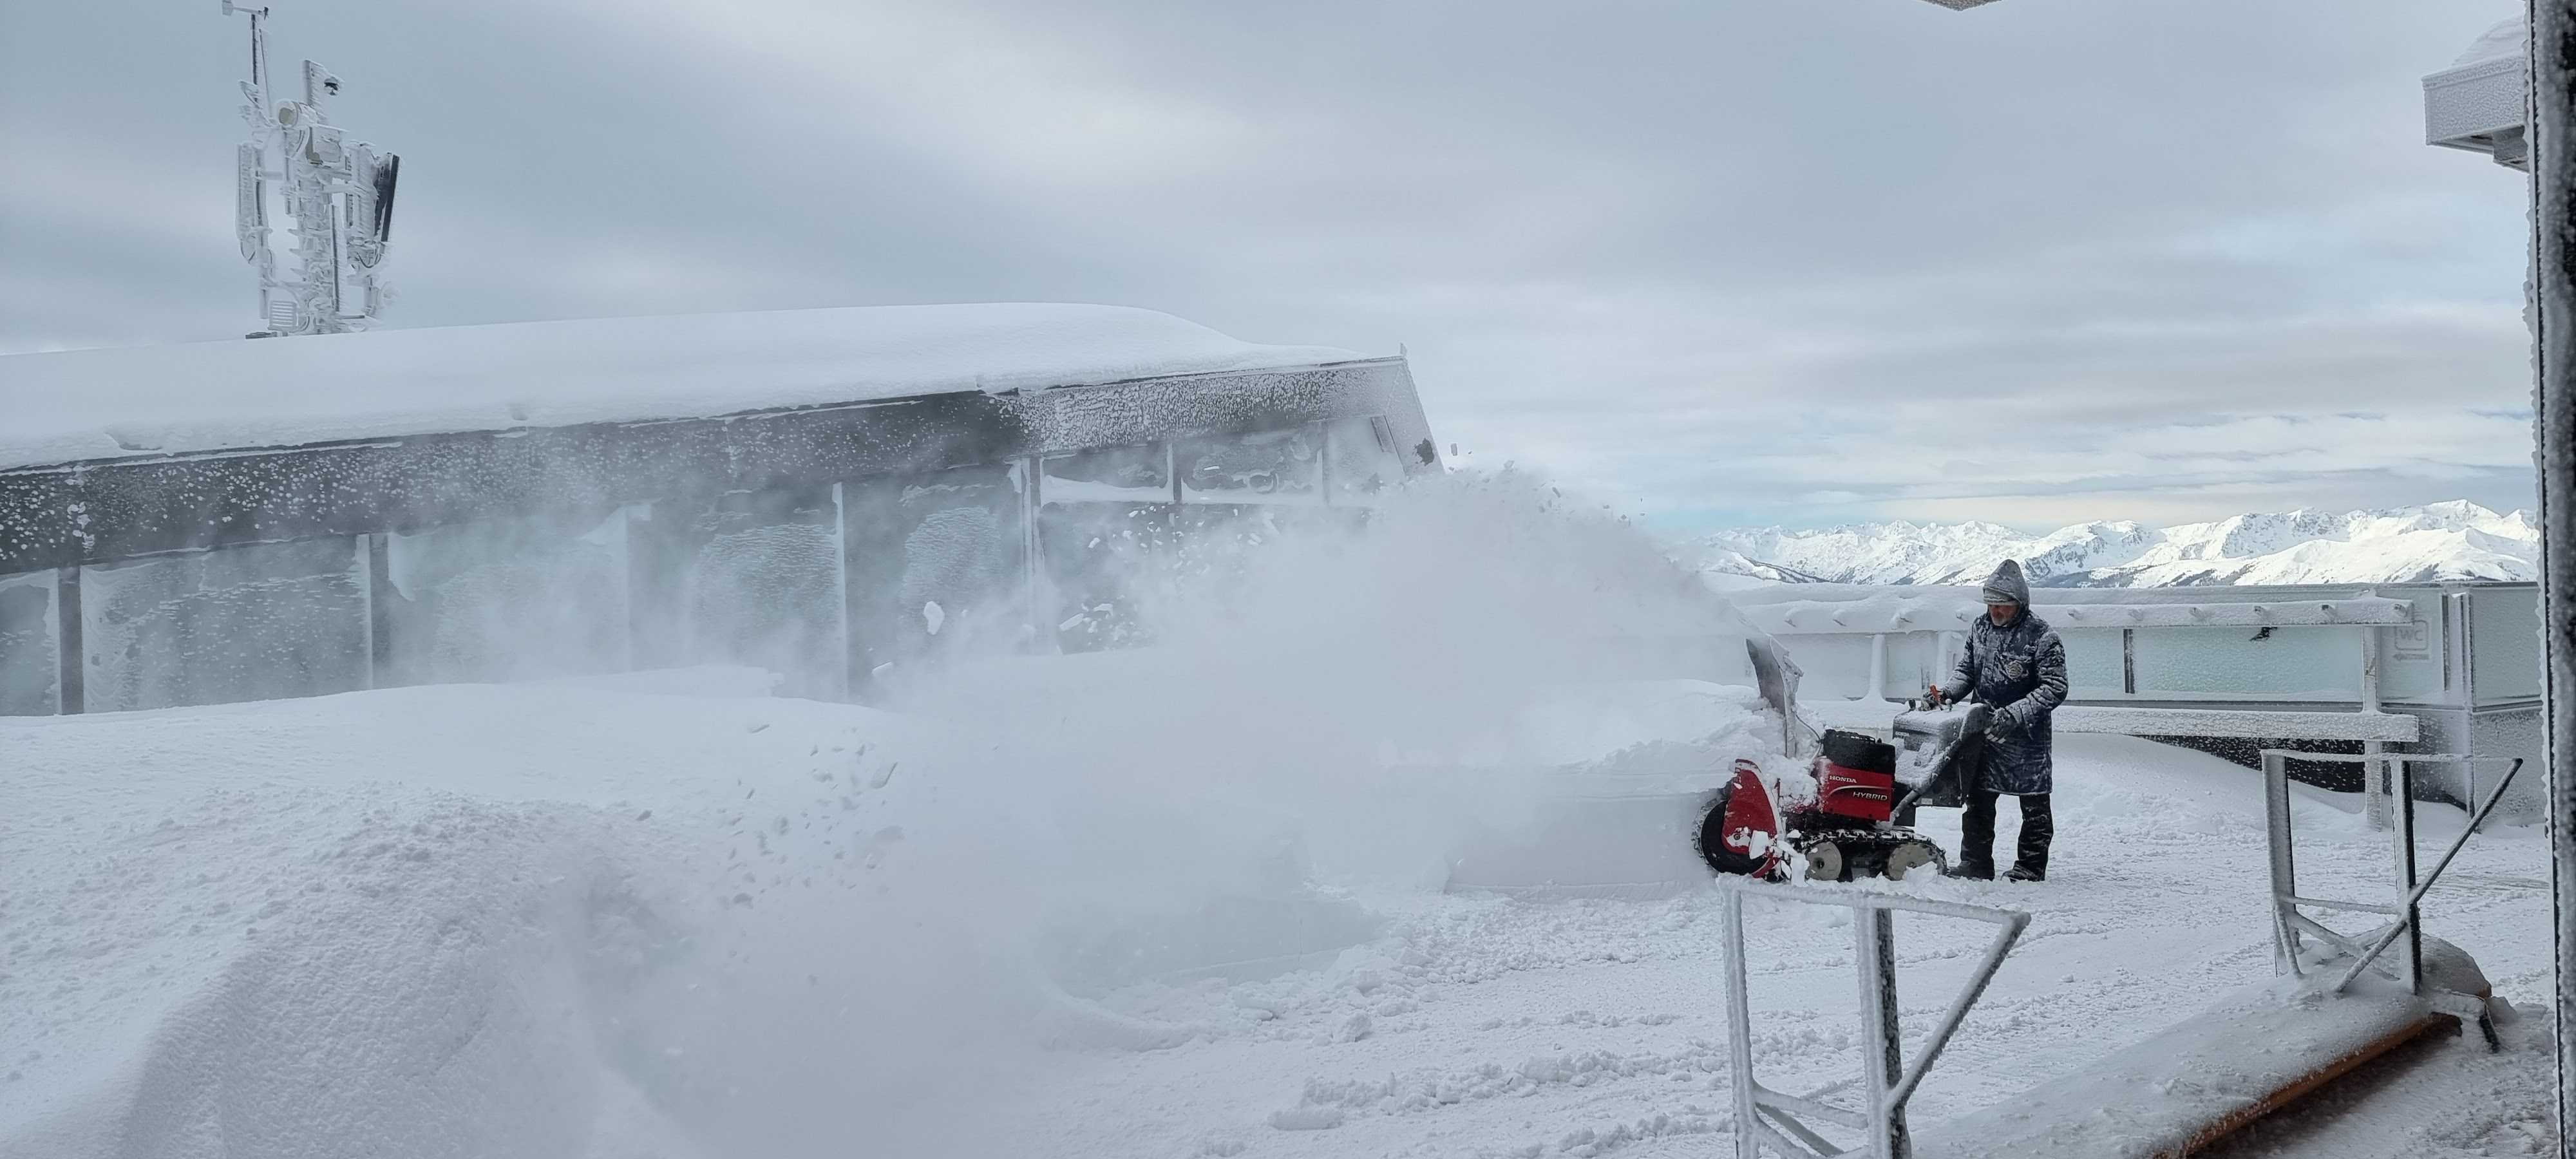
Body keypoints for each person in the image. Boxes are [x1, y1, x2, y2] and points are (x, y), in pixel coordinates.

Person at [1924, 559, 2067, 881]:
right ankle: (1976, 864)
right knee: (1978, 801)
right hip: (1983, 733)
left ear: (2020, 603)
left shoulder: (2043, 637)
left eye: (2003, 606)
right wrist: (1946, 694)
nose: (1996, 612)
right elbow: (1967, 671)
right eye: (1991, 605)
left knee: (2034, 807)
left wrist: (2015, 714)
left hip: (2027, 740)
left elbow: (2055, 687)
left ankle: (2029, 868)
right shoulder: (1980, 628)